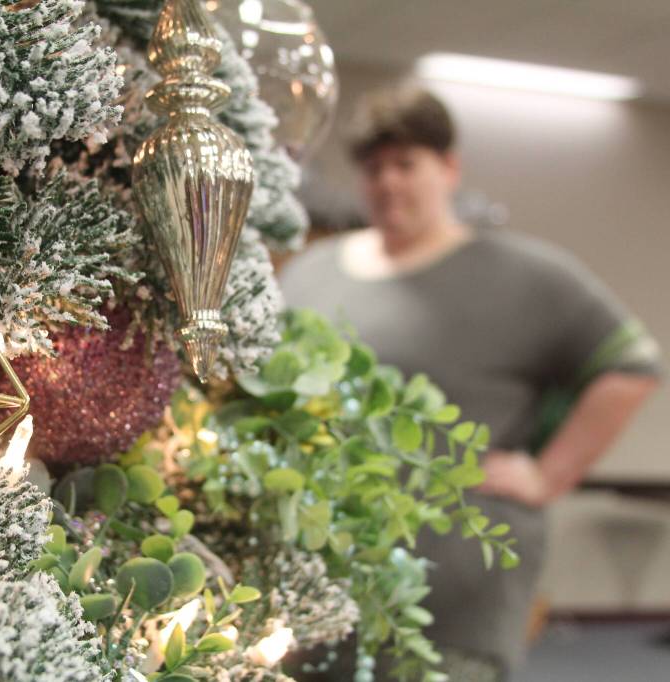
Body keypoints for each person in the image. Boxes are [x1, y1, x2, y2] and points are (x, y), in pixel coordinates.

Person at [278, 85, 662, 680]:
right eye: (374, 168)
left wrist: (547, 475)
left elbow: (631, 365)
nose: (389, 182)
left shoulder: (524, 276)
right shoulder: (311, 275)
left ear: (450, 168)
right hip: (321, 587)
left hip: (456, 598)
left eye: (407, 164)